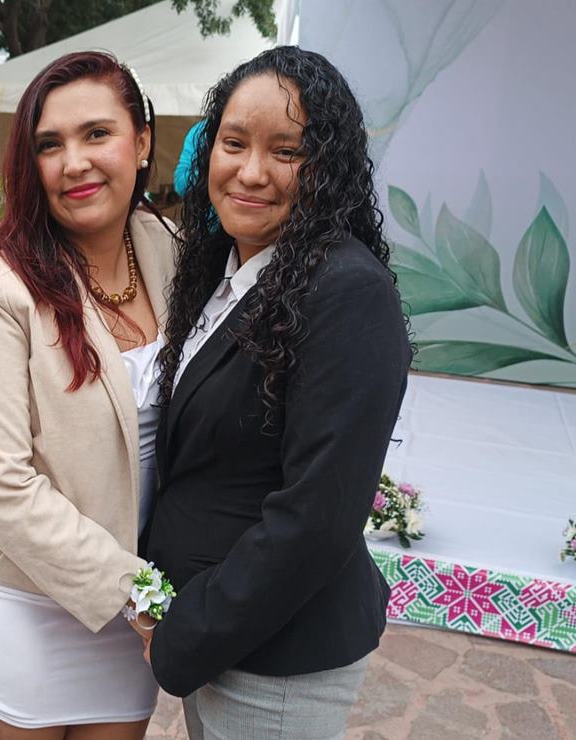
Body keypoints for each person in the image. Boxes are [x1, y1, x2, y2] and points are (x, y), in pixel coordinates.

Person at [141, 46, 412, 738]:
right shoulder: (232, 269)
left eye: (286, 151)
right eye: (233, 143)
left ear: (328, 168)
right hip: (224, 638)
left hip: (274, 656)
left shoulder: (347, 291)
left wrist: (185, 639)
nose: (250, 172)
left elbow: (315, 518)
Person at [0, 51, 176, 740]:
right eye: (49, 144)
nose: (74, 162)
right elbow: (1, 486)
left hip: (132, 594)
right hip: (24, 600)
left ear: (141, 140)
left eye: (96, 134)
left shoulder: (169, 248)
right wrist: (142, 598)